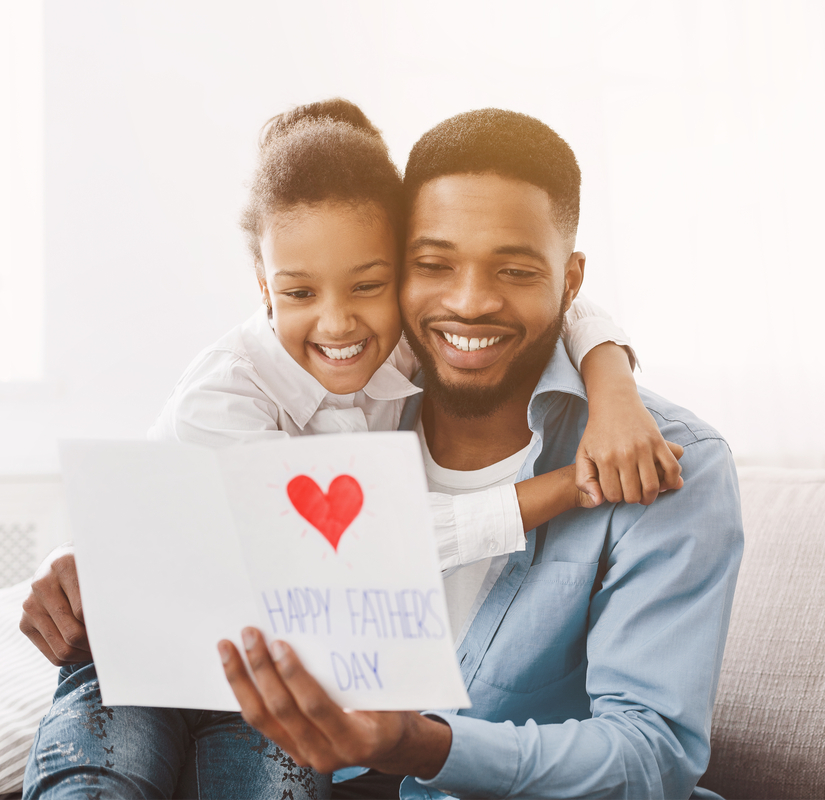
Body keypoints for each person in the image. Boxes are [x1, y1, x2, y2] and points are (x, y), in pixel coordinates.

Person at [19, 101, 682, 800]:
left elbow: (539, 293)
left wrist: (612, 384)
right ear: (262, 282)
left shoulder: (406, 349)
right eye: (300, 291)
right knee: (93, 784)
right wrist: (565, 486)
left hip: (279, 669)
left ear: (396, 273)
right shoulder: (223, 398)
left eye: (368, 284)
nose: (338, 321)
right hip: (149, 655)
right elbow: (380, 544)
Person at [221, 108, 744, 799]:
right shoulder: (339, 411)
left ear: (571, 280)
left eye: (516, 271)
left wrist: (425, 746)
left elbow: (649, 758)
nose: (469, 303)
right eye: (433, 265)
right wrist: (94, 587)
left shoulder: (671, 462)